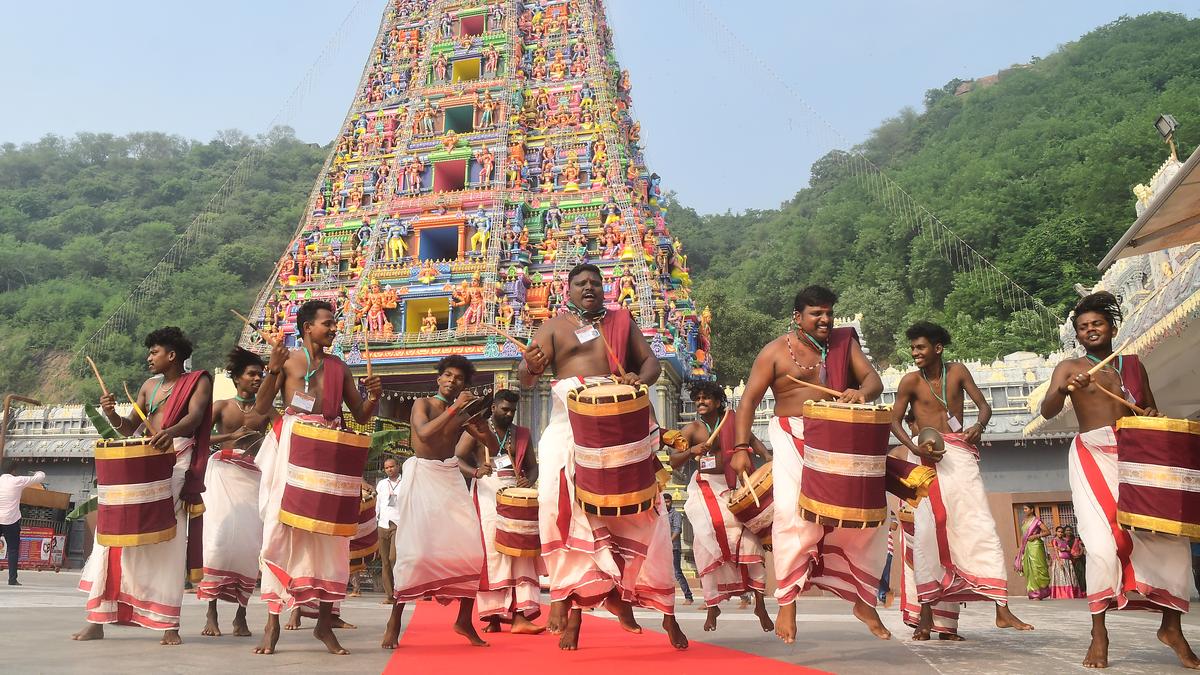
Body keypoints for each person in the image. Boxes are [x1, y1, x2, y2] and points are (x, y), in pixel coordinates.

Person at [519, 263, 688, 651]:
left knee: (645, 513)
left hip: (623, 420)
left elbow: (651, 364)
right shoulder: (554, 327)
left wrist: (637, 380)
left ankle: (636, 600)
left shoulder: (622, 320)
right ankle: (565, 597)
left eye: (596, 282)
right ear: (569, 289)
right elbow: (525, 378)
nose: (590, 287)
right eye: (581, 283)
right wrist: (531, 366)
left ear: (605, 287)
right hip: (571, 420)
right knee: (554, 501)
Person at [1041, 291, 1198, 668]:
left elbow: (1150, 410)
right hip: (1092, 454)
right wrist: (1065, 388)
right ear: (1077, 335)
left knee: (1167, 538)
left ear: (1111, 327)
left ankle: (1171, 627)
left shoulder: (1132, 364)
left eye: (1096, 324)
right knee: (1100, 546)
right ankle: (1099, 633)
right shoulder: (1069, 366)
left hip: (1134, 452)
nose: (1090, 330)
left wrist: (1150, 410)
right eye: (1082, 327)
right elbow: (1047, 410)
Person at [731, 285, 890, 644]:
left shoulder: (843, 344)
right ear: (797, 317)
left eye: (829, 312)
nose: (826, 319)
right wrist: (740, 446)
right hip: (791, 435)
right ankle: (788, 600)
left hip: (837, 436)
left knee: (865, 519)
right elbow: (748, 402)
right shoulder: (773, 353)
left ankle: (862, 599)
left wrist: (861, 393)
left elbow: (873, 380)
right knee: (790, 513)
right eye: (817, 313)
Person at [252, 300, 382, 655]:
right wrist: (272, 371)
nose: (334, 328)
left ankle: (325, 623)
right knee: (281, 530)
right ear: (307, 326)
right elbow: (262, 409)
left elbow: (359, 415)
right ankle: (272, 621)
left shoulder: (340, 367)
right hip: (293, 448)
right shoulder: (288, 360)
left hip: (331, 452)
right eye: (328, 323)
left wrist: (375, 397)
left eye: (335, 322)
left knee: (333, 537)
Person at [889, 321, 1032, 640]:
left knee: (978, 523)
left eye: (921, 347)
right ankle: (925, 613)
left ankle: (1001, 607)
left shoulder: (958, 372)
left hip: (960, 454)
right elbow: (894, 419)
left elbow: (984, 407)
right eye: (912, 348)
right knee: (928, 530)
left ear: (938, 348)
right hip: (926, 458)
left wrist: (978, 426)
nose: (915, 353)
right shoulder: (910, 381)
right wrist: (913, 447)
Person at [74, 327, 213, 646]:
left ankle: (169, 624)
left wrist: (170, 431)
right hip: (141, 461)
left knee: (169, 541)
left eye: (154, 352)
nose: (149, 358)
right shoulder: (148, 386)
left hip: (176, 461)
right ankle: (98, 619)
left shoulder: (198, 381)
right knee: (109, 539)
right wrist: (111, 414)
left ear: (172, 355)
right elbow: (128, 427)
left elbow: (194, 418)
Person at [381, 356, 495, 649]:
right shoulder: (423, 404)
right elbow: (425, 433)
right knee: (413, 553)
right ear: (438, 379)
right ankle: (394, 622)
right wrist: (458, 408)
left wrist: (481, 423)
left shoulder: (462, 413)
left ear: (464, 384)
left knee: (472, 551)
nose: (451, 381)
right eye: (447, 375)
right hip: (422, 475)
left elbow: (493, 446)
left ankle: (464, 620)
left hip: (450, 476)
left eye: (458, 378)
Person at [671, 381, 773, 632]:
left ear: (718, 401)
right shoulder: (692, 429)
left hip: (733, 485)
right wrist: (692, 450)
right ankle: (712, 605)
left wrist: (770, 462)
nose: (700, 402)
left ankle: (760, 604)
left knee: (748, 540)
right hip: (705, 488)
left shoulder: (733, 421)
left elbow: (753, 441)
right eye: (697, 399)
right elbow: (673, 460)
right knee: (706, 541)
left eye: (706, 398)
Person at [455, 389, 544, 635]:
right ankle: (493, 617)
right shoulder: (476, 429)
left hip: (516, 497)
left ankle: (519, 616)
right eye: (505, 409)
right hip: (486, 495)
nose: (509, 414)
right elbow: (456, 458)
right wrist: (474, 472)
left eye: (512, 410)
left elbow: (533, 468)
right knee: (493, 554)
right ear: (493, 407)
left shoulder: (522, 434)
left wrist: (529, 481)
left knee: (519, 552)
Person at [199, 347, 269, 638]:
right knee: (218, 542)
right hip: (221, 475)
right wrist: (229, 437)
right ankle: (211, 612)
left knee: (249, 547)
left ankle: (241, 616)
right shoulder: (222, 405)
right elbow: (199, 437)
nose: (257, 378)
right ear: (237, 377)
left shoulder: (266, 409)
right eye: (251, 374)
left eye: (260, 374)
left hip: (253, 478)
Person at [1, 462, 45, 586]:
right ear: (14, 471)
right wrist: (37, 472)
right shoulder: (18, 480)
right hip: (11, 520)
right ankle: (12, 579)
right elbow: (40, 477)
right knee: (13, 549)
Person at [374, 457, 402, 604]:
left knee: (393, 558)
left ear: (398, 466)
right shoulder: (382, 484)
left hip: (398, 523)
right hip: (383, 524)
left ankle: (399, 589)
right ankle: (390, 595)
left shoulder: (405, 483)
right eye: (386, 467)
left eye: (392, 466)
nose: (389, 469)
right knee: (385, 561)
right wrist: (375, 520)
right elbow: (378, 503)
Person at [662, 493, 693, 606]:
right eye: (664, 502)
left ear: (671, 502)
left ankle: (688, 596)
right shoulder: (660, 515)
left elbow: (677, 529)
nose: (666, 504)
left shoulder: (676, 514)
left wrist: (669, 542)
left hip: (673, 548)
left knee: (677, 572)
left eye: (668, 502)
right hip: (662, 548)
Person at [1015, 505, 1051, 600]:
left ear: (1032, 510)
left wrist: (1036, 536)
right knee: (1029, 569)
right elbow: (1023, 536)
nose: (1024, 510)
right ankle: (1033, 592)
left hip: (1036, 546)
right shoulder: (1024, 521)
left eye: (1026, 509)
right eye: (1024, 509)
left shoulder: (1037, 521)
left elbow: (1047, 532)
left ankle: (1041, 593)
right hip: (1027, 546)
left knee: (1037, 568)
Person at [1049, 525, 1083, 599]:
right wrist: (1059, 561)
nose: (1060, 533)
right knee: (1062, 578)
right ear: (1056, 532)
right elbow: (1056, 551)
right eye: (1059, 532)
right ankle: (1062, 594)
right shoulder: (1055, 540)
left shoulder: (1064, 540)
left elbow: (1068, 549)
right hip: (1060, 560)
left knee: (1070, 577)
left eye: (1061, 532)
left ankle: (1071, 593)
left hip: (1068, 560)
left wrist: (1062, 549)